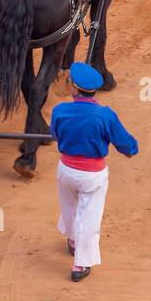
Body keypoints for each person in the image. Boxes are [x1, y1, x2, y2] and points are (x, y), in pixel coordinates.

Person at [49, 62, 139, 282]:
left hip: (66, 171)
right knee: (90, 217)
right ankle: (80, 263)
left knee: (68, 207)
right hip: (92, 176)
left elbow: (54, 135)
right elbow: (125, 144)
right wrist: (131, 149)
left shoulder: (59, 110)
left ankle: (72, 240)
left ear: (74, 89)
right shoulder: (105, 115)